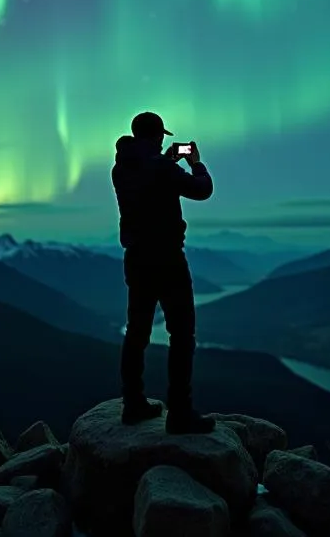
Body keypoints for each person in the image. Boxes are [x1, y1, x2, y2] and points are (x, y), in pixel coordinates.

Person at [111, 110, 216, 434]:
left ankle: (133, 403)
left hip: (137, 260)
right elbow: (202, 189)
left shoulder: (121, 168)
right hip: (168, 260)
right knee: (182, 335)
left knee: (137, 332)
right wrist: (194, 162)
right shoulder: (162, 168)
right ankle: (180, 413)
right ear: (157, 136)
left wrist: (165, 161)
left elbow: (148, 175)